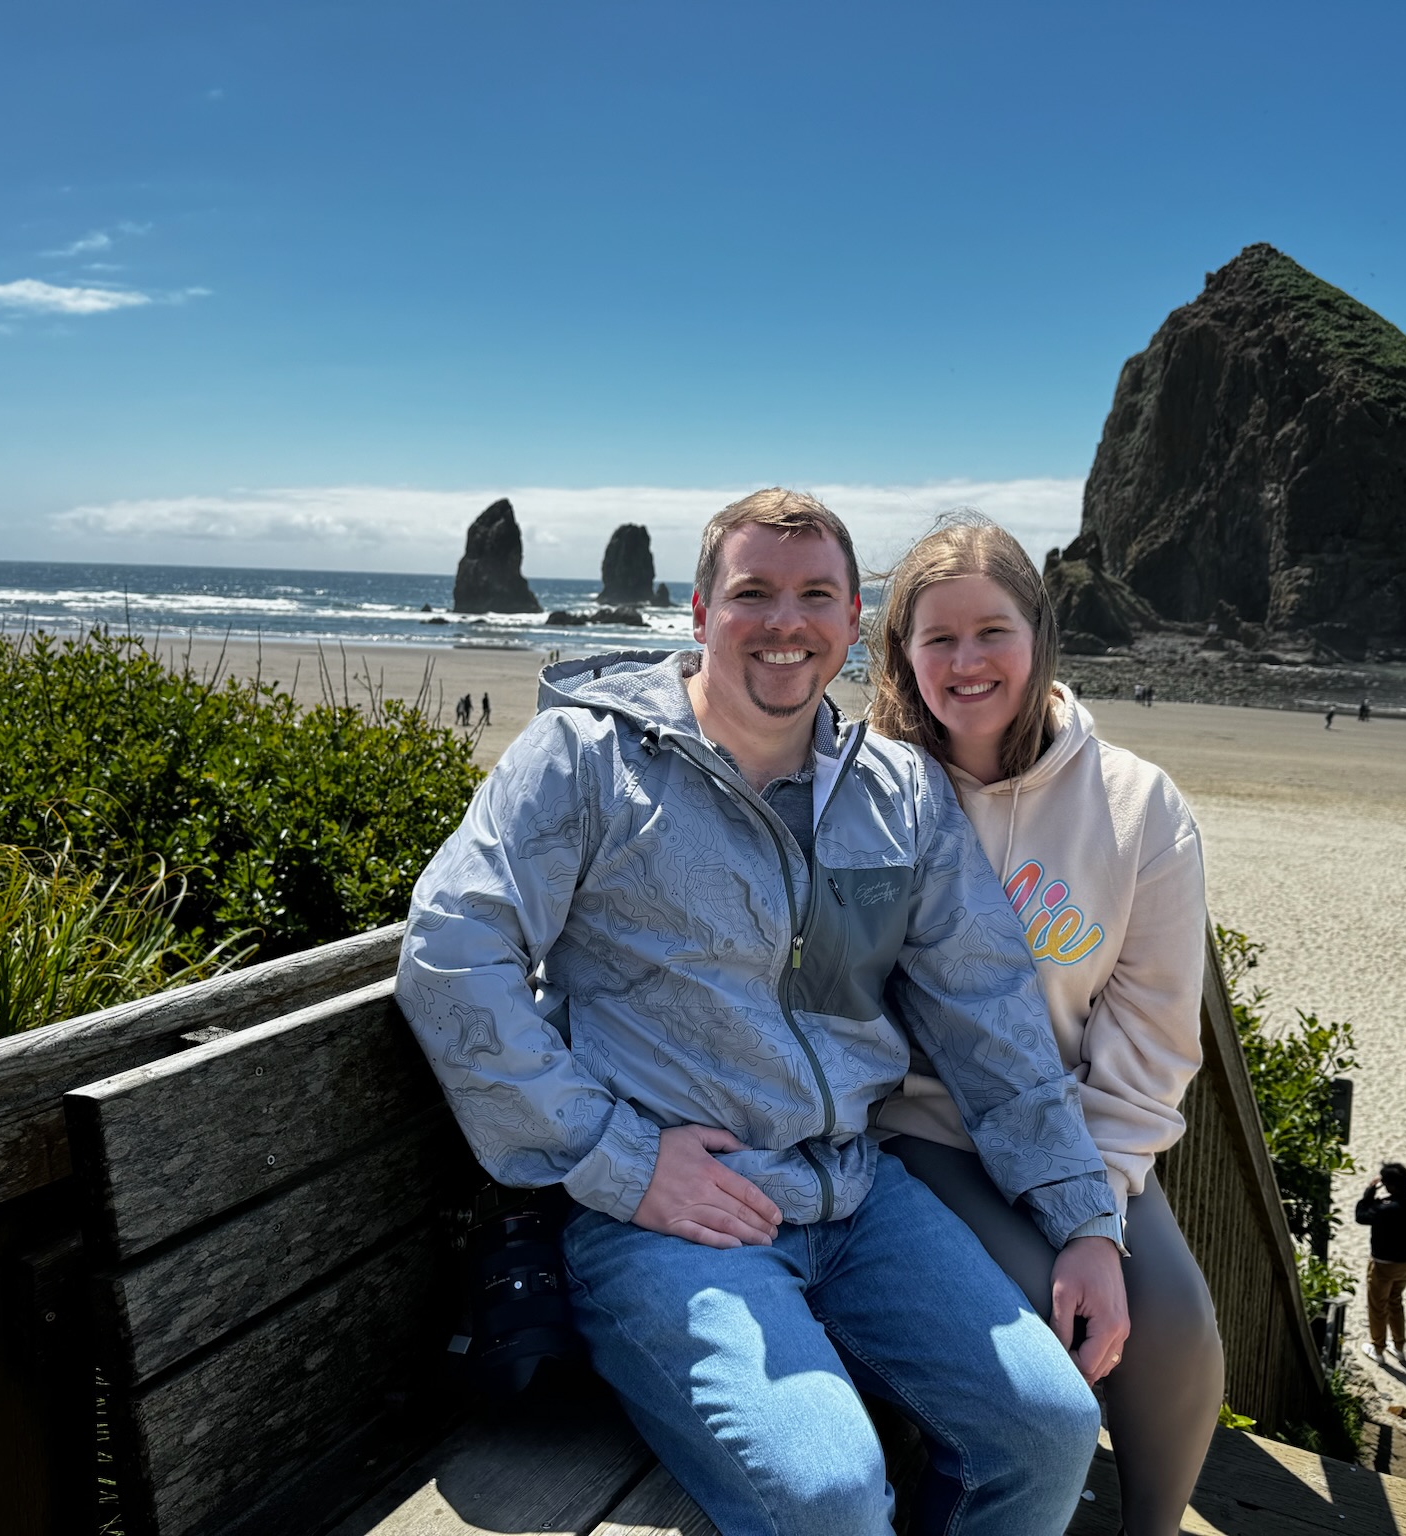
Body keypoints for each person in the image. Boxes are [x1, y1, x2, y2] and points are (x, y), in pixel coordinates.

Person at [398, 489, 1119, 1536]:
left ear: (850, 618)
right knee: (827, 1498)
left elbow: (987, 1013)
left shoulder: (898, 792)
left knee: (1047, 1430)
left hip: (858, 1199)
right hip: (672, 1222)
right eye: (752, 594)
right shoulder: (585, 763)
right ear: (697, 614)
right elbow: (450, 953)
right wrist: (616, 1160)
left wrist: (1081, 1217)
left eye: (814, 596)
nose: (784, 623)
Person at [866, 517, 1224, 1536]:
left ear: (1039, 634)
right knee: (1051, 1319)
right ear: (901, 655)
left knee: (1178, 1332)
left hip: (1074, 1137)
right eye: (935, 639)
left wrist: (1092, 1214)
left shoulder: (1138, 810)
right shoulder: (870, 793)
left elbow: (1152, 1042)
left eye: (991, 632)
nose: (965, 662)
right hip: (923, 1130)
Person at [1356, 1162, 1406, 1365]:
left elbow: (1361, 1216)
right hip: (1403, 1265)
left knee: (1377, 1307)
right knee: (1395, 1303)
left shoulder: (1385, 1209)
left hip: (1381, 1265)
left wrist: (1369, 1192)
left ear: (1390, 1186)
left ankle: (1378, 1349)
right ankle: (1399, 1346)